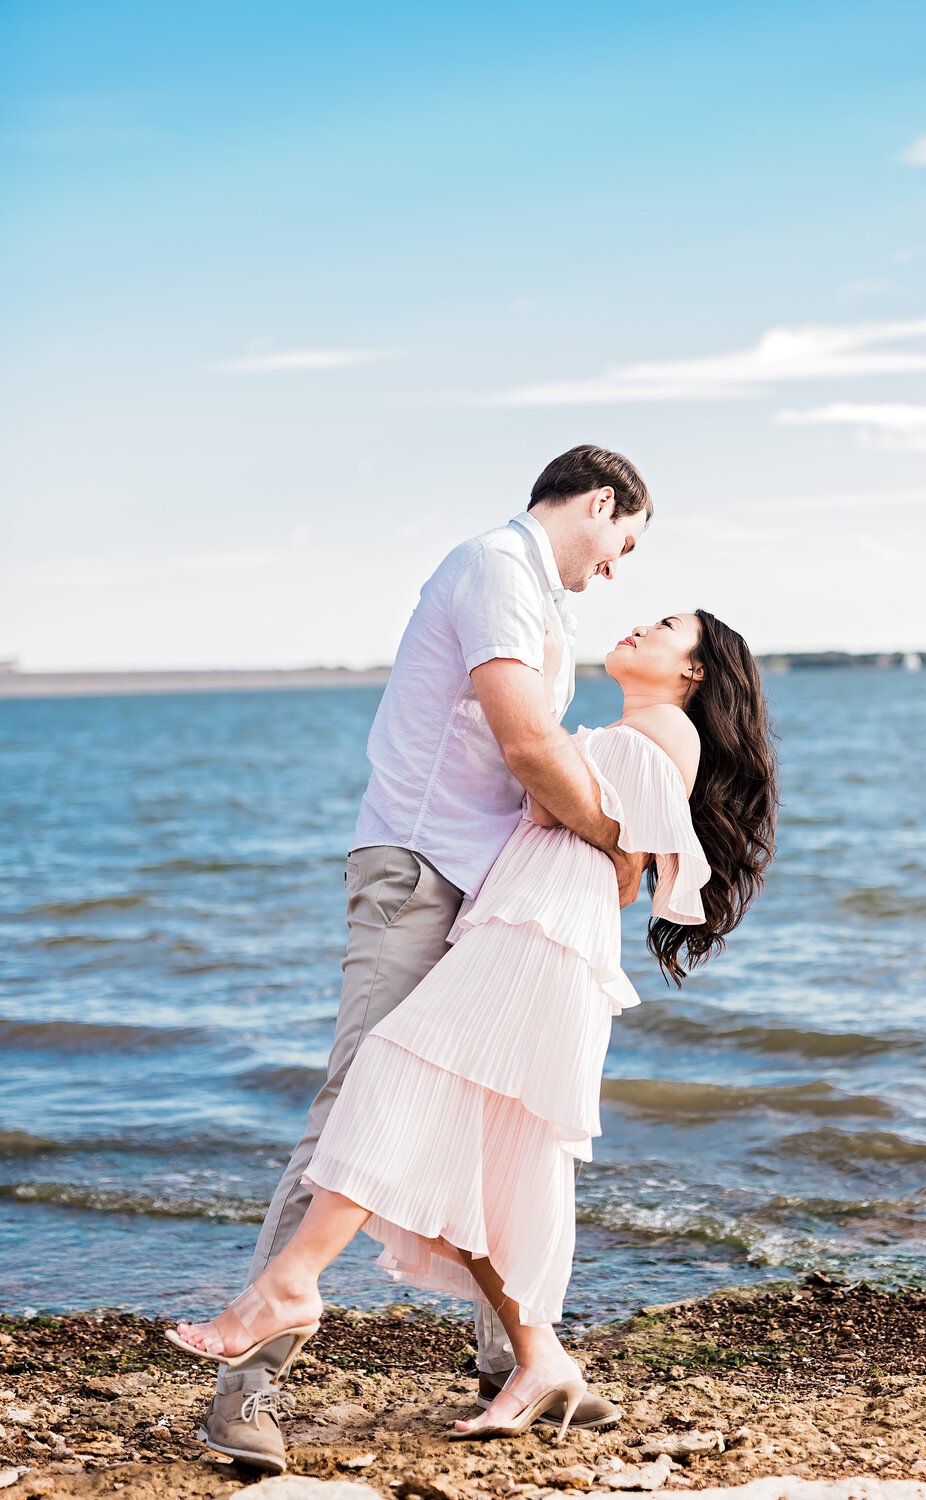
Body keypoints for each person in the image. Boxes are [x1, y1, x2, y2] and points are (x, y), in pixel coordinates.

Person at [169, 608, 779, 1445]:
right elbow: (585, 826)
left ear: (696, 672)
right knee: (489, 1155)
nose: (640, 624)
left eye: (666, 625)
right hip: (534, 927)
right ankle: (540, 1360)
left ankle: (290, 1285)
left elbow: (556, 810)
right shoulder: (636, 731)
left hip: (544, 935)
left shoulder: (665, 728)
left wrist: (563, 763)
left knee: (392, 1072)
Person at [195, 445, 653, 1472]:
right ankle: (244, 1389)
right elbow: (528, 747)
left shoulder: (538, 593)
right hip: (421, 869)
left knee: (496, 1106)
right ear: (600, 500)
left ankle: (517, 1357)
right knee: (357, 1102)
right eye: (624, 541)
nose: (617, 568)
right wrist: (618, 844)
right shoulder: (495, 565)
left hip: (478, 881)